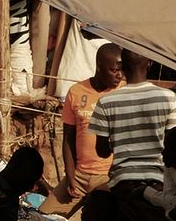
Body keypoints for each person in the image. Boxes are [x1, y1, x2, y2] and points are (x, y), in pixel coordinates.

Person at [90, 49, 176, 221]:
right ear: (150, 62)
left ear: (122, 66)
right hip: (157, 184)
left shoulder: (106, 101)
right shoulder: (167, 98)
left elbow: (102, 151)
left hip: (124, 186)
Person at [51, 43, 123, 209]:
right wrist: (70, 175)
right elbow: (68, 137)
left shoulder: (124, 92)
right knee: (44, 218)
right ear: (99, 67)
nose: (119, 76)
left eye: (121, 70)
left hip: (108, 178)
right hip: (79, 176)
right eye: (113, 70)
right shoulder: (76, 91)